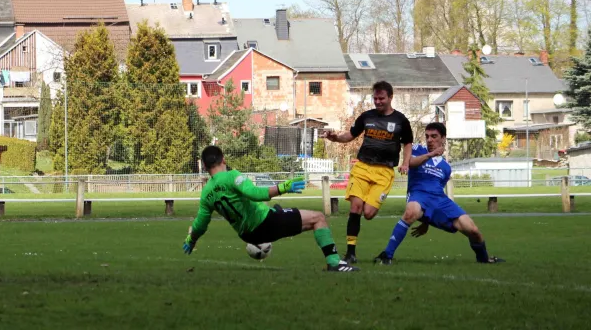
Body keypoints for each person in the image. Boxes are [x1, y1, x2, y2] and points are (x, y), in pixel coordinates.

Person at [182, 145, 360, 273]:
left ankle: (279, 212)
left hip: (248, 235)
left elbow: (200, 224)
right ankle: (335, 263)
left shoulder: (206, 193)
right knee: (318, 218)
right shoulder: (231, 176)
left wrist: (191, 240)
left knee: (298, 219)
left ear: (205, 167)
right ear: (224, 159)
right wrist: (283, 188)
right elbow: (255, 193)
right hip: (265, 223)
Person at [373, 122, 505, 265]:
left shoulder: (446, 167)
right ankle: (387, 255)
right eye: (427, 136)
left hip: (439, 199)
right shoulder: (418, 149)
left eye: (434, 136)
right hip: (418, 194)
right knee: (411, 212)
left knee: (473, 230)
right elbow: (410, 163)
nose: (429, 139)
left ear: (443, 138)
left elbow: (439, 189)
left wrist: (426, 221)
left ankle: (484, 260)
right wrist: (430, 154)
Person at [321, 81, 413, 263]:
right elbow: (351, 135)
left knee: (369, 213)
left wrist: (406, 162)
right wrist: (336, 138)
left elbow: (407, 143)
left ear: (390, 97)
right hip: (362, 167)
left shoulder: (401, 120)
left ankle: (353, 246)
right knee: (355, 207)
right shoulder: (366, 117)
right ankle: (351, 253)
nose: (378, 102)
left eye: (381, 98)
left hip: (384, 172)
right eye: (375, 98)